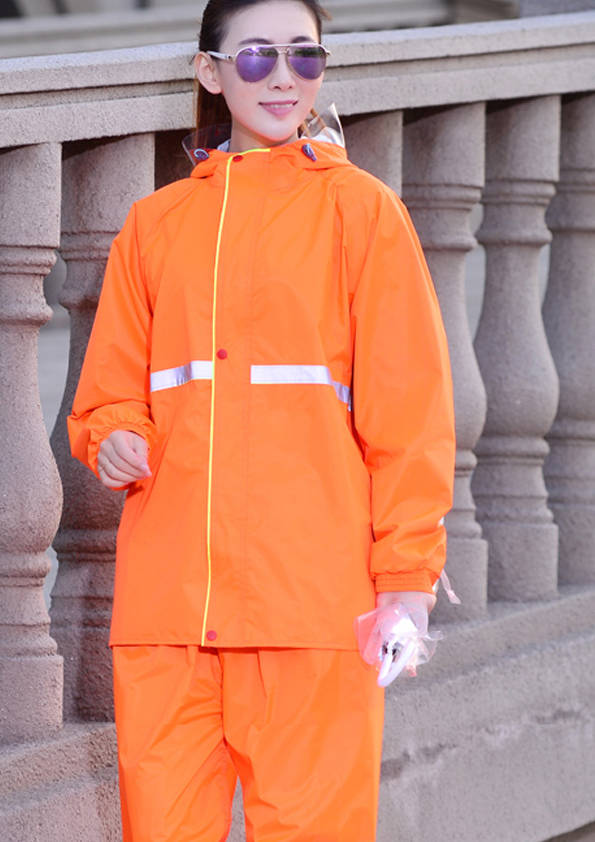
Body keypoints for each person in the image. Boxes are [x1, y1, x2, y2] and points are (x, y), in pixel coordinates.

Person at [67, 0, 456, 839]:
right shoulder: (154, 225)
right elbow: (105, 394)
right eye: (255, 57)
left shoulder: (361, 212)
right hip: (169, 610)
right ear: (209, 72)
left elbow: (410, 416)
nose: (283, 77)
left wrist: (406, 584)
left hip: (310, 606)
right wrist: (115, 435)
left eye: (303, 56)